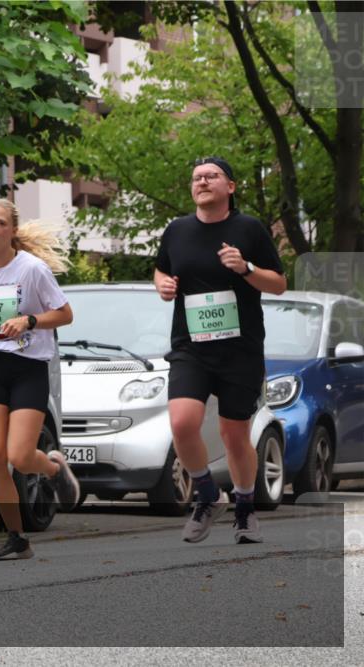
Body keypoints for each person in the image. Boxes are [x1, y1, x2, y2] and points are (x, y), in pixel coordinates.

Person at [154, 156, 286, 545]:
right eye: (197, 177)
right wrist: (162, 285)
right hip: (190, 346)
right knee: (181, 422)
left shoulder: (249, 229)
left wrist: (245, 267)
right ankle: (208, 495)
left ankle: (245, 507)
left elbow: (278, 283)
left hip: (240, 349)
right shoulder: (177, 230)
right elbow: (161, 269)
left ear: (231, 186)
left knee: (233, 434)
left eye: (212, 176)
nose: (203, 181)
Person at [0, 200, 80, 561]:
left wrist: (30, 321)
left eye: (0, 223)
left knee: (20, 457)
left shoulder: (32, 269)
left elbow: (65, 314)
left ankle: (53, 469)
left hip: (28, 368)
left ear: (12, 230)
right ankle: (16, 536)